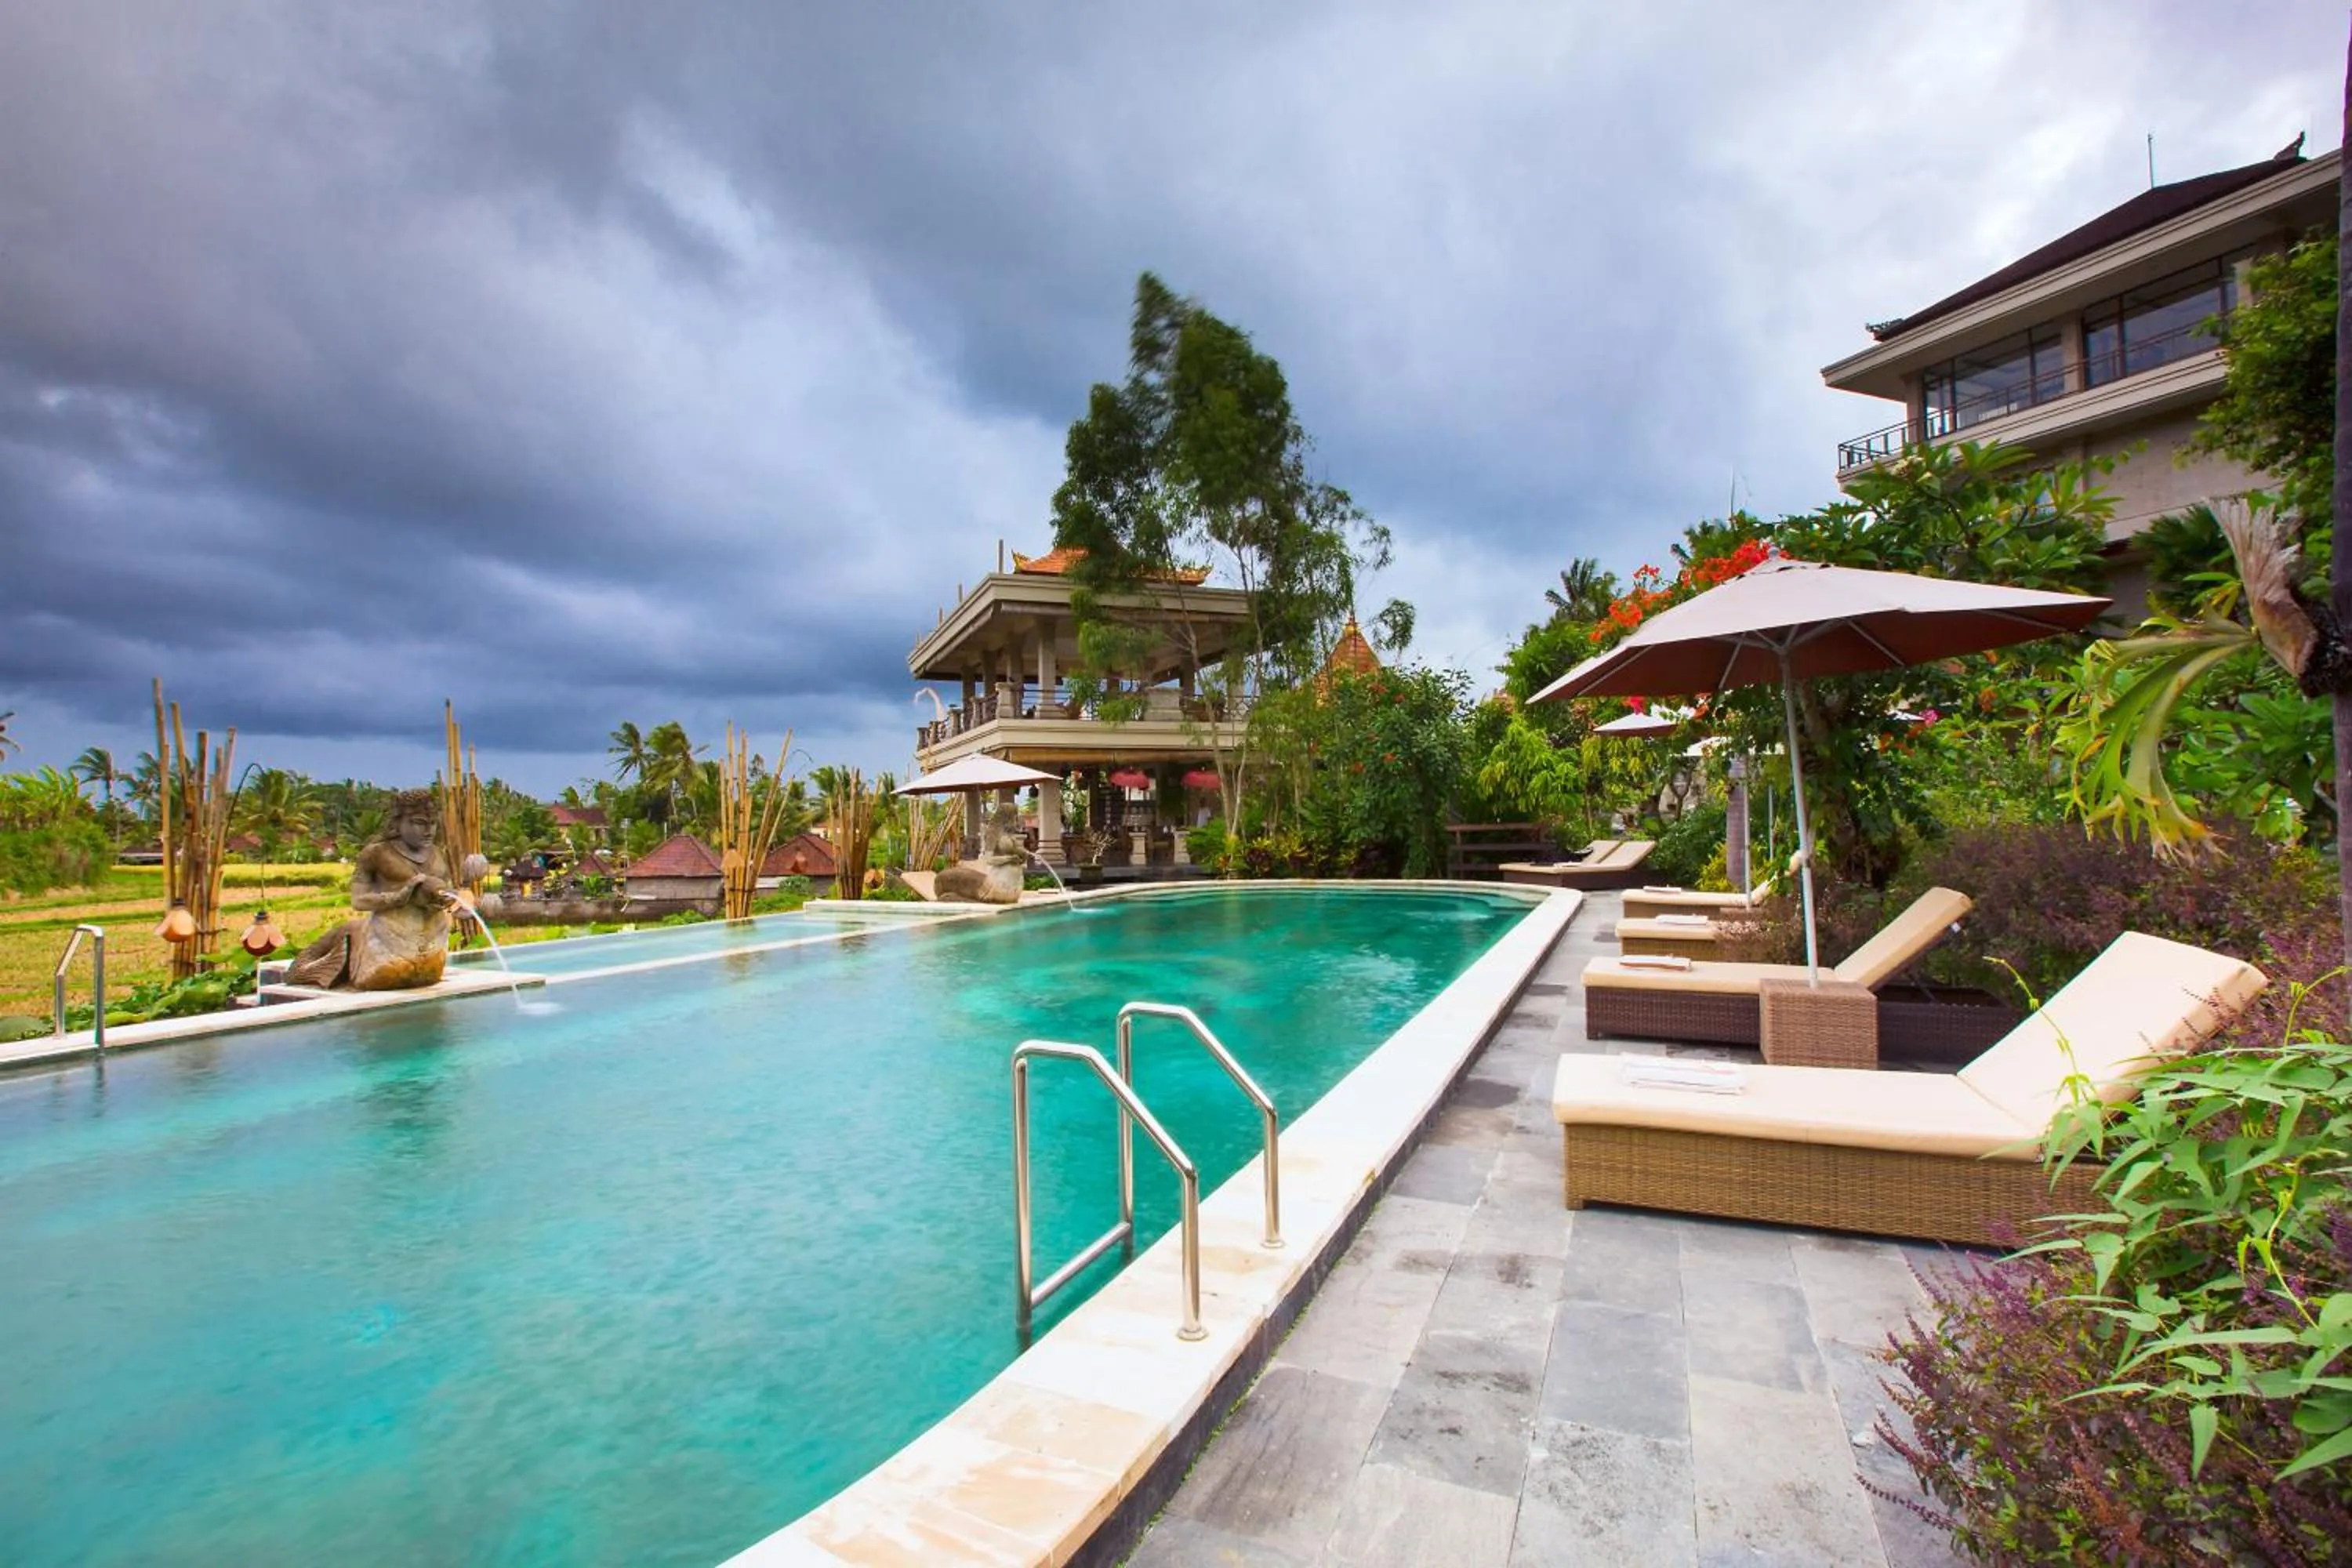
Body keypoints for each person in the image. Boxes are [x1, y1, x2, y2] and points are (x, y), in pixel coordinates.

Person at [285, 789, 484, 989]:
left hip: (431, 942)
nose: (428, 831)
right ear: (398, 822)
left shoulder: (437, 854)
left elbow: (446, 889)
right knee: (350, 934)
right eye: (418, 823)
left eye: (432, 824)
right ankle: (320, 968)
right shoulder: (377, 853)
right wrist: (399, 897)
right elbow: (359, 900)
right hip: (387, 940)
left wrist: (450, 898)